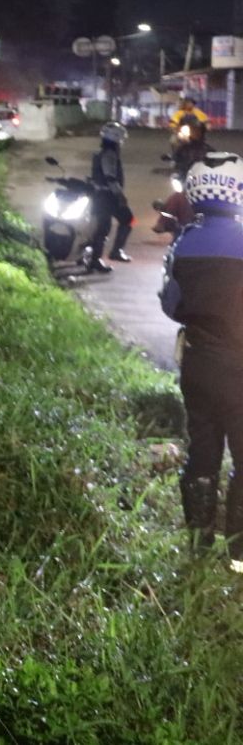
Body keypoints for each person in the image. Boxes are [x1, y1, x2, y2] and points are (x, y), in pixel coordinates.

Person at [159, 153, 243, 566]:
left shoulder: (183, 243)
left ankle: (200, 546)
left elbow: (171, 306)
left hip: (198, 364)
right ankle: (239, 555)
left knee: (203, 452)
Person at [85, 121, 132, 269]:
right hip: (108, 196)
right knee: (124, 221)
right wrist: (119, 195)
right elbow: (110, 177)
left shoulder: (100, 154)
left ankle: (97, 257)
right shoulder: (110, 155)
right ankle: (103, 257)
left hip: (100, 195)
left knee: (101, 227)